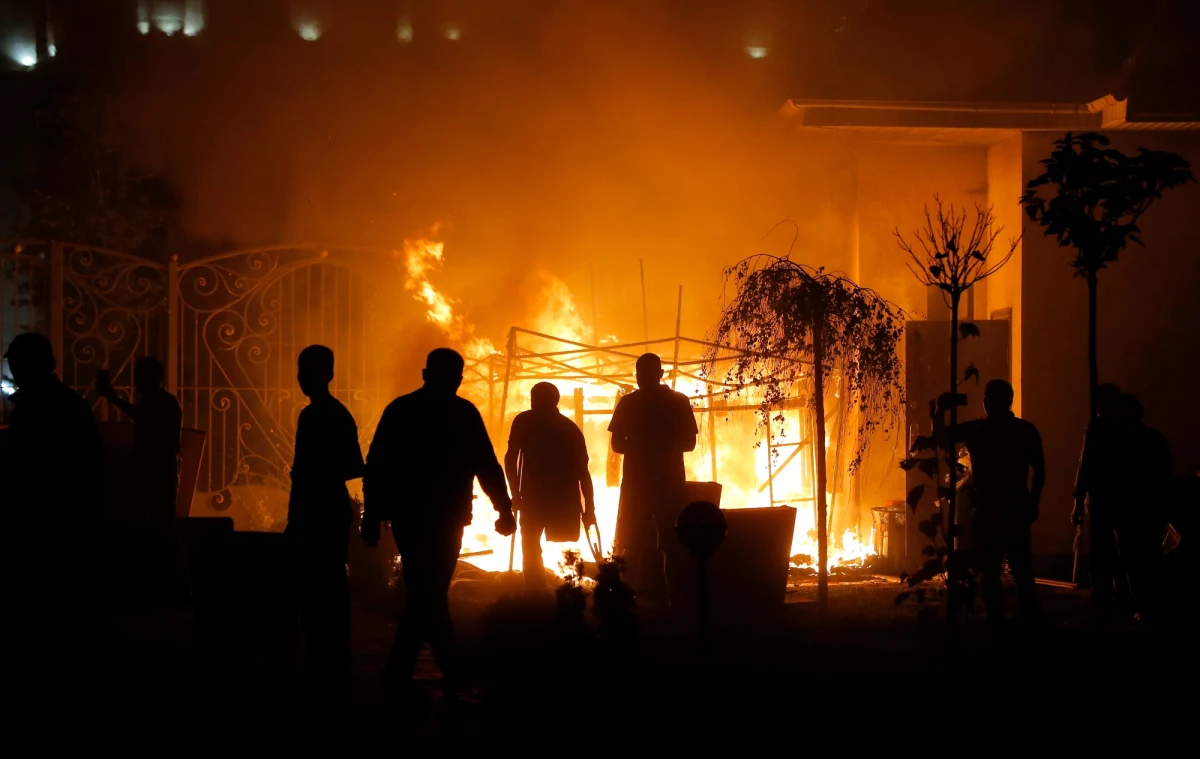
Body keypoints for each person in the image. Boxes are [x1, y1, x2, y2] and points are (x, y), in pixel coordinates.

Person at [361, 348, 515, 698]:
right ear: (457, 379)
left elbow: (377, 465)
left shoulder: (401, 410)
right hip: (446, 518)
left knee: (424, 593)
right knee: (429, 593)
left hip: (410, 517)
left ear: (425, 373)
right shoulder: (463, 413)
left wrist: (372, 514)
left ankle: (411, 669)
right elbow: (486, 465)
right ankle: (443, 669)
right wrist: (503, 509)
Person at [3, 332, 105, 693]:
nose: (14, 371)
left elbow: (23, 472)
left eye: (16, 363)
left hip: (44, 526)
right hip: (67, 524)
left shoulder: (35, 409)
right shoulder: (70, 404)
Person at [285, 345, 365, 698]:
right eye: (302, 372)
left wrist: (315, 474)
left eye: (308, 372)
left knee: (321, 586)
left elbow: (351, 466)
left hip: (320, 509)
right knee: (324, 585)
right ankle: (328, 661)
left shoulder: (322, 415)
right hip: (324, 508)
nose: (303, 379)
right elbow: (353, 465)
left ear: (327, 375)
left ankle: (325, 663)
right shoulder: (333, 414)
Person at [949, 379, 1045, 629]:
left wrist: (939, 411)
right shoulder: (1024, 430)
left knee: (990, 569)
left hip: (989, 508)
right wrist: (1033, 500)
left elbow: (942, 436)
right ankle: (1028, 617)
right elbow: (1040, 470)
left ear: (987, 402)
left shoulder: (979, 430)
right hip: (1015, 506)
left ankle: (997, 620)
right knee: (1020, 568)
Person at [608, 353, 698, 605]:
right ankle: (673, 599)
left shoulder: (629, 403)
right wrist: (663, 447)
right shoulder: (677, 402)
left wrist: (641, 448)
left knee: (633, 540)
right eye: (640, 374)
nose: (641, 379)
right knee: (668, 542)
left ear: (659, 374)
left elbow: (617, 445)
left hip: (639, 484)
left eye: (644, 374)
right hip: (667, 483)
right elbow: (689, 443)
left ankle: (628, 599)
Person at [504, 382, 596, 593]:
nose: (533, 404)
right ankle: (537, 587)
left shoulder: (527, 422)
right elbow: (583, 473)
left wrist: (515, 494)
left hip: (541, 497)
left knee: (531, 541)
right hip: (551, 497)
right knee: (530, 541)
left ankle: (537, 588)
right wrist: (589, 509)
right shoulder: (567, 428)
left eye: (535, 400)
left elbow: (583, 472)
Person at [1073, 385, 1140, 623]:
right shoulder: (1130, 430)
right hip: (1123, 497)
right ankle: (1124, 594)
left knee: (1104, 550)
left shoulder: (1098, 428)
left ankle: (1104, 597)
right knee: (1125, 547)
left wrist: (1078, 500)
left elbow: (1085, 464)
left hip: (1104, 496)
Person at [95, 356, 183, 527]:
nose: (136, 382)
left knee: (155, 523)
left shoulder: (161, 403)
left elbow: (142, 417)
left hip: (157, 474)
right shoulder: (163, 401)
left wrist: (113, 397)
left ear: (153, 377)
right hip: (160, 473)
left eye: (140, 376)